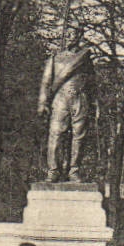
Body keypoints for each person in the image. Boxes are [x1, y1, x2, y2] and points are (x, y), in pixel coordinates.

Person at [38, 27, 95, 182]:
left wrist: (94, 102)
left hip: (80, 98)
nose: (70, 37)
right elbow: (46, 82)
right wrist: (42, 103)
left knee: (79, 135)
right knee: (56, 134)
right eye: (67, 34)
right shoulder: (56, 58)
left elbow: (92, 82)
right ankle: (53, 170)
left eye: (73, 34)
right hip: (60, 99)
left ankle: (74, 170)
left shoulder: (84, 58)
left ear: (79, 36)